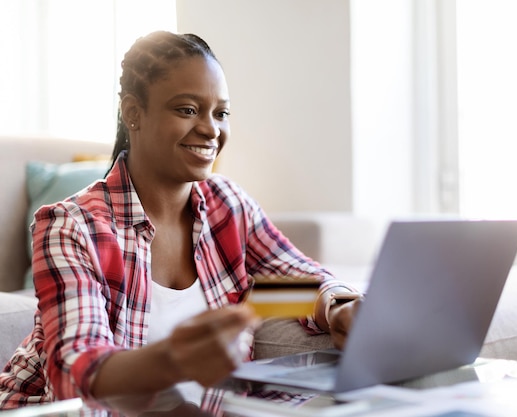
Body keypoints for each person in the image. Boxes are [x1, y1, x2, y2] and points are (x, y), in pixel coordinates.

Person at [0, 31, 361, 409]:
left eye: (220, 113)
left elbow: (295, 279)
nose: (210, 128)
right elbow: (74, 377)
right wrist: (173, 359)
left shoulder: (228, 204)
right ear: (133, 113)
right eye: (187, 109)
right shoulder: (71, 227)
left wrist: (336, 304)